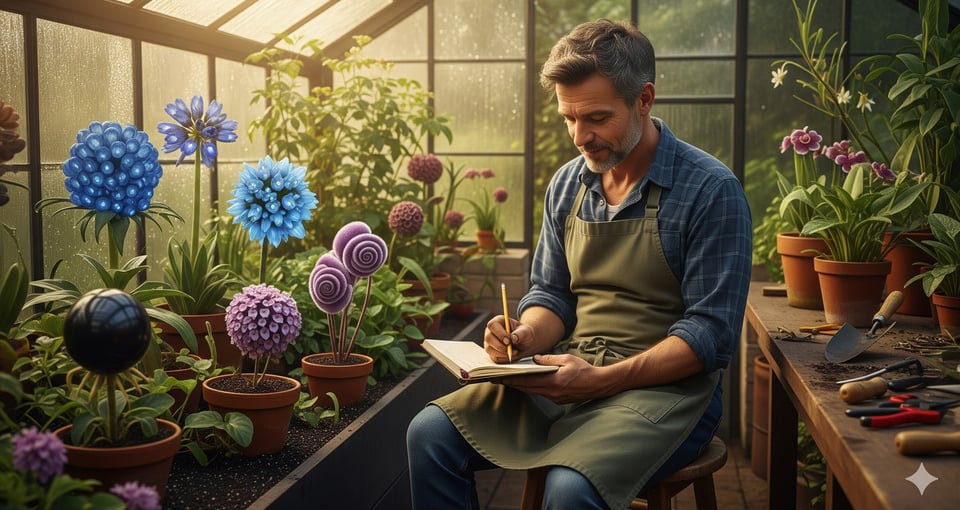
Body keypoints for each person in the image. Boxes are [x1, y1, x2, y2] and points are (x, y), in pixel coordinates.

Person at [407, 19, 751, 510]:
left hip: (666, 395)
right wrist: (525, 335)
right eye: (569, 118)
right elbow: (552, 296)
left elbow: (711, 335)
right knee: (431, 432)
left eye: (595, 117)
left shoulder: (711, 191)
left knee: (570, 488)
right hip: (567, 372)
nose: (579, 136)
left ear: (645, 99)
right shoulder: (568, 185)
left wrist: (602, 380)